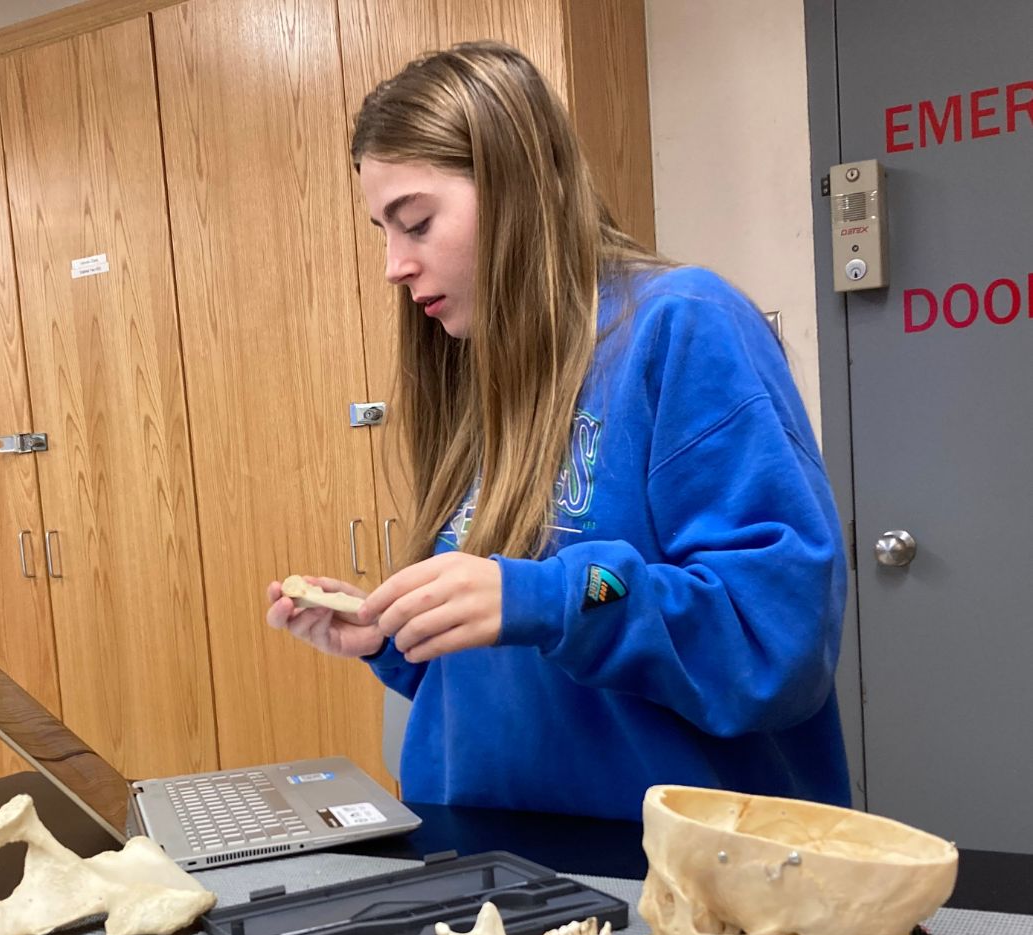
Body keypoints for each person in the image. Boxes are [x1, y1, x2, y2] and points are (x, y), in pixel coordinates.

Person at [265, 41, 850, 820]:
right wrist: (391, 638)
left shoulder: (681, 326)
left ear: (516, 189)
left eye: (415, 223)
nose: (392, 265)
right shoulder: (480, 369)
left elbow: (771, 631)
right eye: (382, 230)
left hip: (665, 882)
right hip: (492, 867)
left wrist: (546, 595)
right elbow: (519, 664)